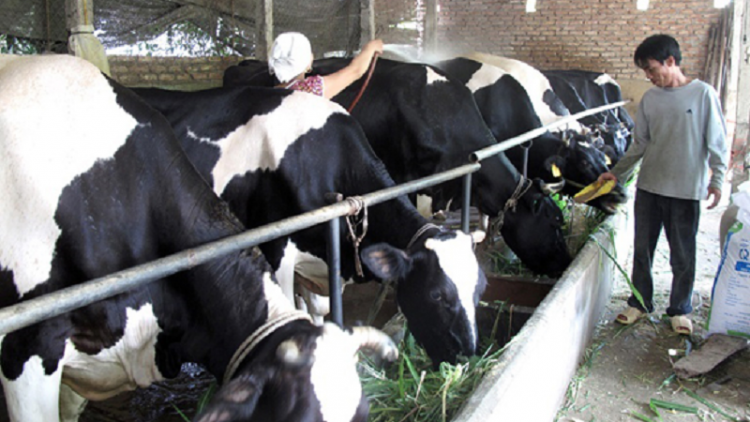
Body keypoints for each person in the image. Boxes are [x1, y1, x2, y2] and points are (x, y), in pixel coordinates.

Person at [597, 34, 728, 335]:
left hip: (686, 190)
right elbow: (639, 143)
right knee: (642, 249)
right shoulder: (650, 99)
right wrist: (617, 174)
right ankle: (639, 302)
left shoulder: (703, 94)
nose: (649, 76)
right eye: (645, 71)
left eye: (652, 69)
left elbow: (717, 143)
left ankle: (680, 309)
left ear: (671, 61)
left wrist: (718, 179)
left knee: (683, 253)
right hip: (650, 187)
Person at [268, 32, 384, 99]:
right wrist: (371, 47)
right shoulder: (309, 90)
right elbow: (355, 71)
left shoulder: (268, 95)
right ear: (304, 63)